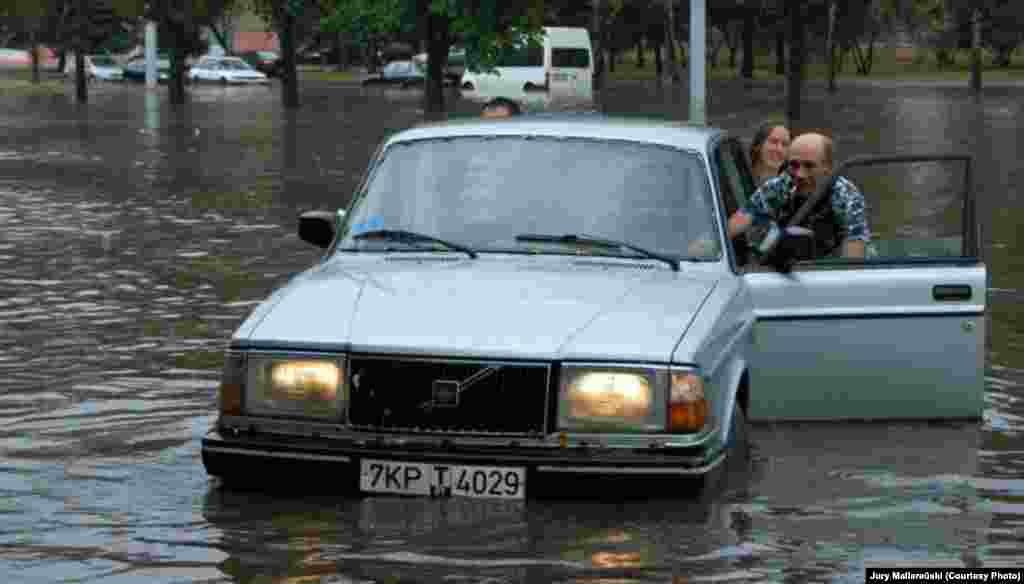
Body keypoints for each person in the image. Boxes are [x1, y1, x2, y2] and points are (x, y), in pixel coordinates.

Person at [727, 132, 870, 260]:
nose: (799, 174)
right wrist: (711, 245)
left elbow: (853, 255)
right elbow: (744, 216)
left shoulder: (846, 195)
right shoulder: (782, 185)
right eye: (794, 165)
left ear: (828, 168)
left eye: (809, 166)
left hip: (830, 269)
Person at [748, 121, 791, 187]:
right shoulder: (740, 179)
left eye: (785, 144)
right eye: (773, 142)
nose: (779, 149)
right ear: (758, 146)